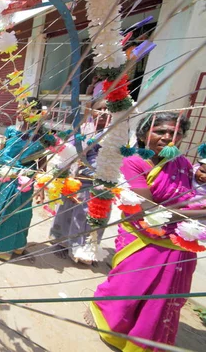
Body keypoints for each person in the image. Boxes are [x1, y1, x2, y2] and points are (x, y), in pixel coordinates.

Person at [88, 112, 206, 351]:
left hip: (179, 240)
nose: (167, 137)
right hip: (141, 235)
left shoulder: (182, 164)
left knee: (161, 300)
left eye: (175, 133)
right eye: (160, 131)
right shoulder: (133, 161)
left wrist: (192, 213)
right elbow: (148, 210)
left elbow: (189, 198)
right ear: (144, 133)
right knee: (129, 287)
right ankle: (109, 324)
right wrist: (199, 213)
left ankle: (143, 341)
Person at [0, 98, 55, 261]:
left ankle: (13, 247)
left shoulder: (42, 137)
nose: (20, 111)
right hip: (2, 179)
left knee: (19, 215)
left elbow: (42, 165)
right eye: (21, 107)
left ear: (35, 113)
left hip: (22, 182)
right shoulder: (10, 131)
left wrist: (40, 180)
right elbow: (0, 154)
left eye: (24, 108)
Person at [50, 98, 109, 265]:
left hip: (104, 182)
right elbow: (68, 152)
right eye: (100, 109)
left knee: (95, 218)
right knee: (70, 213)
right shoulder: (83, 130)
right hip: (79, 179)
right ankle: (62, 243)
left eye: (108, 109)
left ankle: (87, 250)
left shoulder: (117, 134)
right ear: (91, 111)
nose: (104, 114)